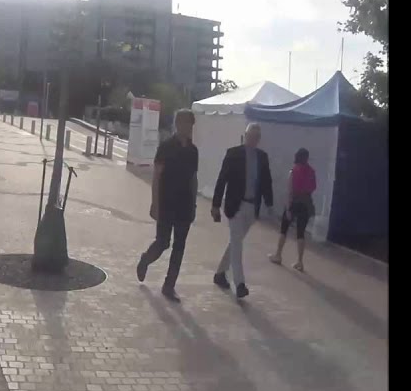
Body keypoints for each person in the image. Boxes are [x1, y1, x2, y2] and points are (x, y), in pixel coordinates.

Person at [136, 109, 198, 302]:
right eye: (184, 123)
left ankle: (169, 285)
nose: (187, 127)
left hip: (185, 205)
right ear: (177, 124)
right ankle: (145, 259)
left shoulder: (193, 150)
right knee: (163, 242)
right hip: (166, 203)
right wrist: (155, 202)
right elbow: (157, 176)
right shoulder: (166, 147)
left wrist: (194, 203)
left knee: (179, 246)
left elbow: (194, 178)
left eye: (190, 124)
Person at [211, 122, 273, 299]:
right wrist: (215, 205)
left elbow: (266, 182)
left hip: (252, 207)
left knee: (235, 241)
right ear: (245, 136)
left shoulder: (262, 157)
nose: (253, 139)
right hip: (235, 205)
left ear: (259, 139)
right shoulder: (233, 154)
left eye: (256, 137)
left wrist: (269, 204)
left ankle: (220, 274)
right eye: (250, 136)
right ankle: (240, 284)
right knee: (237, 244)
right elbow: (222, 179)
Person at [269, 147, 317, 272]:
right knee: (301, 233)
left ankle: (278, 255)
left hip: (294, 202)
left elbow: (290, 191)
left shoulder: (293, 171)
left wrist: (289, 208)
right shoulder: (312, 171)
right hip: (306, 204)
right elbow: (313, 188)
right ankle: (300, 262)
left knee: (284, 229)